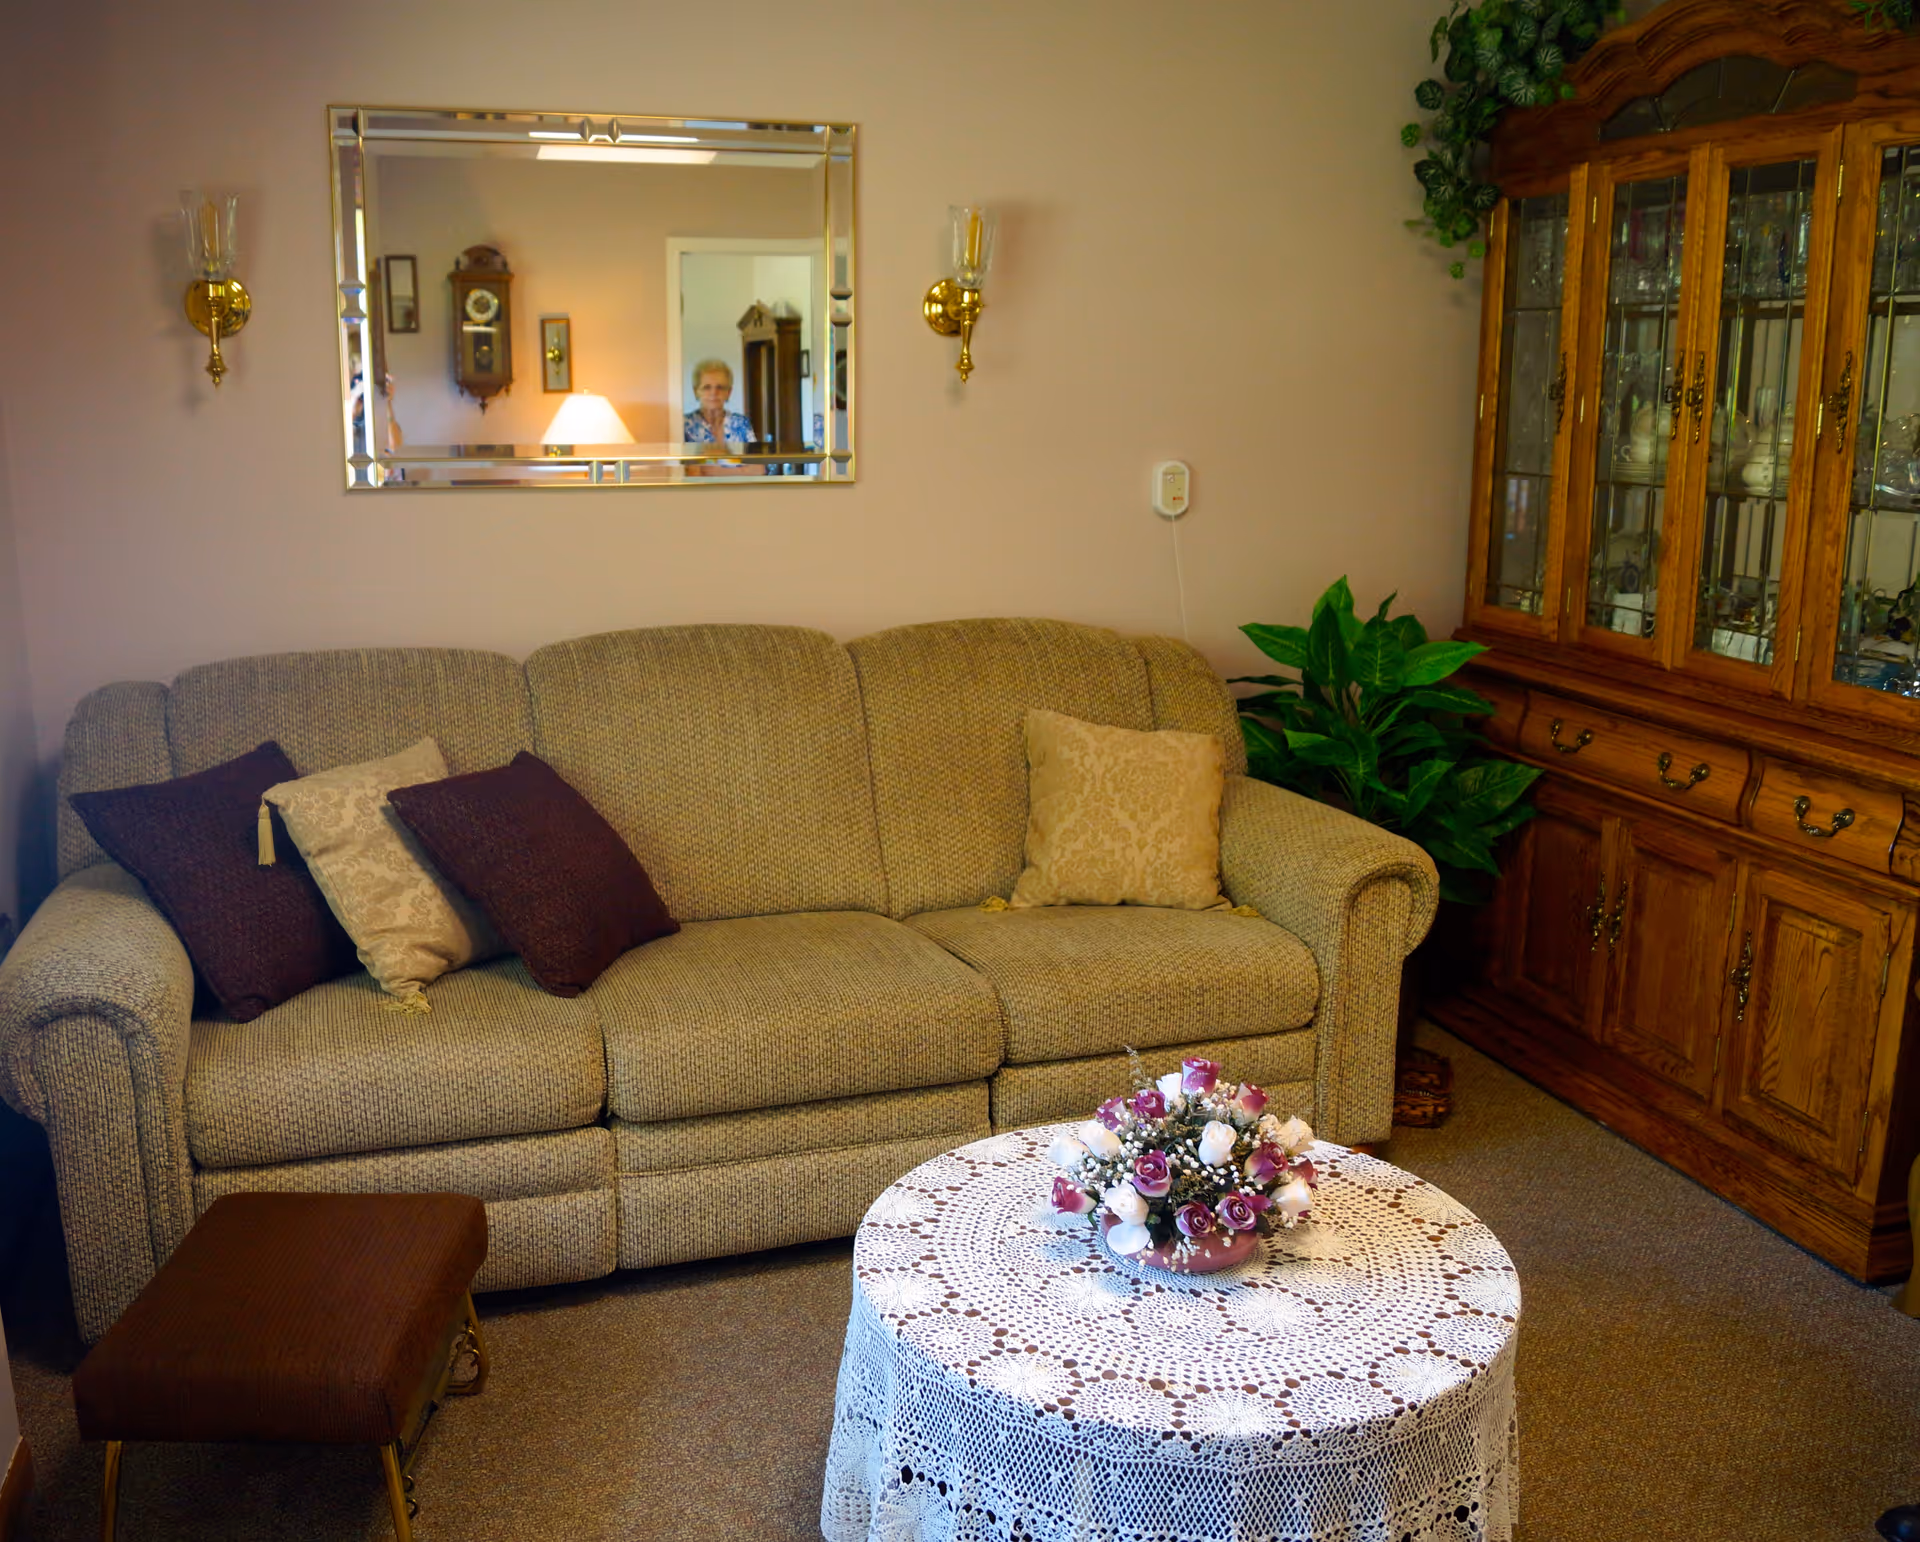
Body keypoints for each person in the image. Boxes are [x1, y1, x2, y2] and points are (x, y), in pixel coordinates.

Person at [682, 359, 756, 445]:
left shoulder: (741, 423)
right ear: (696, 391)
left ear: (729, 392)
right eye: (707, 387)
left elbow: (753, 456)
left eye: (720, 387)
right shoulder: (684, 424)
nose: (714, 393)